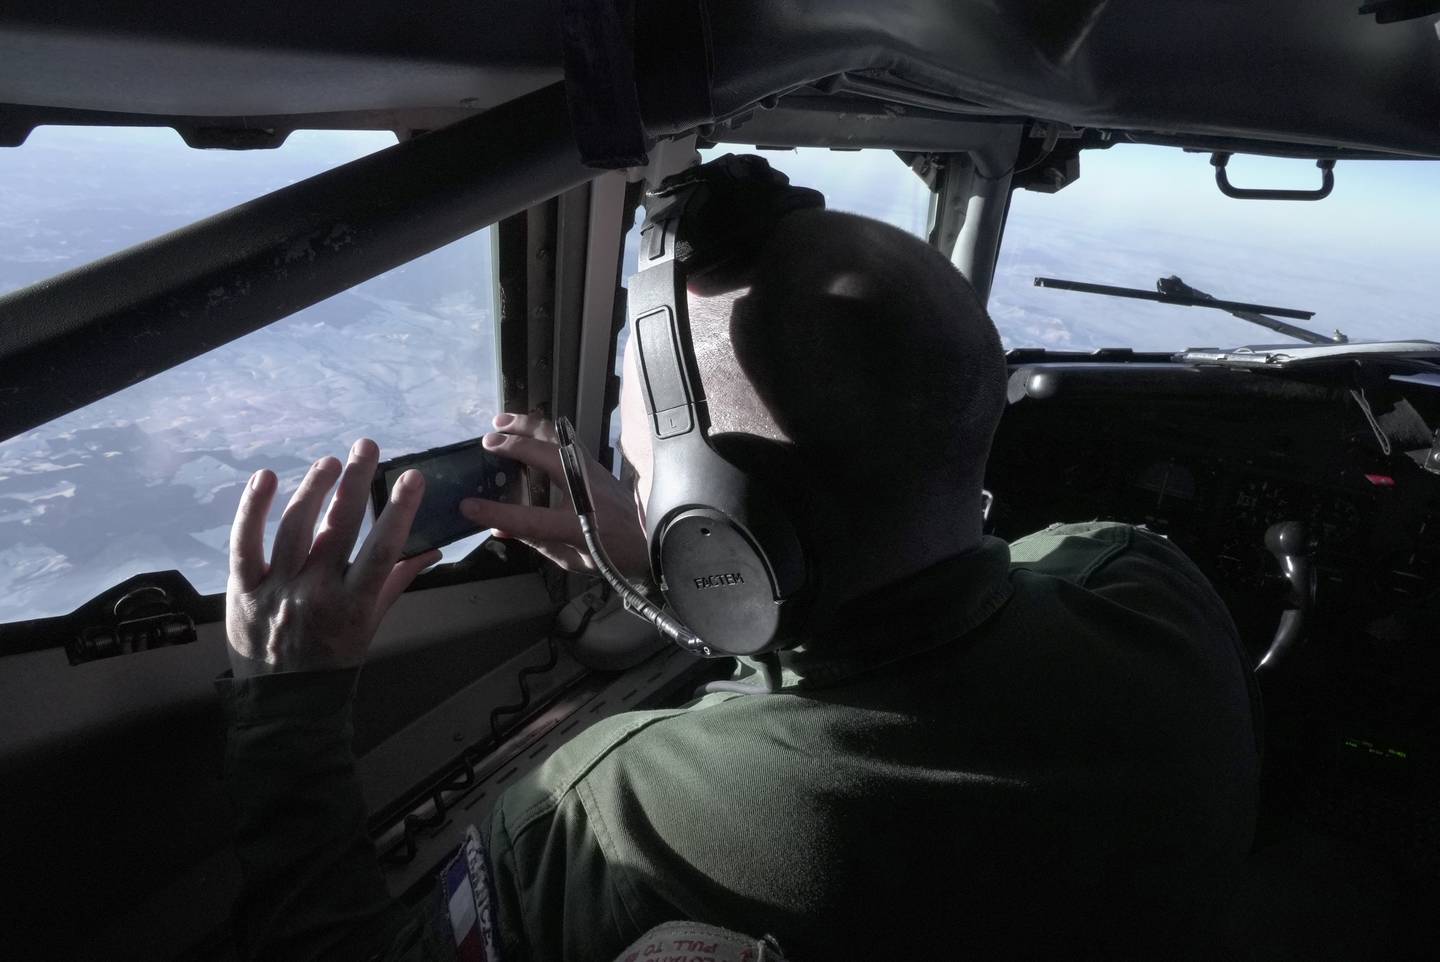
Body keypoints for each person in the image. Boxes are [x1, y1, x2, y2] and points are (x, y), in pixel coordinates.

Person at [221, 192, 1261, 960]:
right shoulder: (1153, 592)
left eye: (637, 454)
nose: (625, 471)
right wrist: (667, 565)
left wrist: (291, 697)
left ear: (713, 524)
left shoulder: (619, 821)